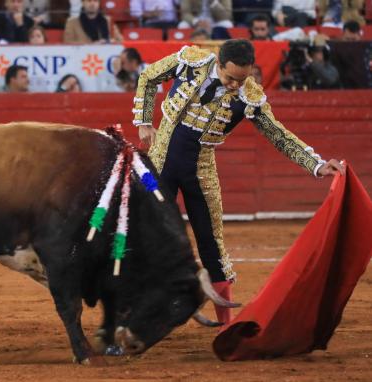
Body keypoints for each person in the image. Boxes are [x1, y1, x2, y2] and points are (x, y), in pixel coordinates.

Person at [132, 39, 345, 324]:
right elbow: (148, 76)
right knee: (142, 234)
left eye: (242, 79)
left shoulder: (250, 96)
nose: (235, 85)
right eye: (230, 77)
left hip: (201, 173)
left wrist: (317, 165)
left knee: (212, 244)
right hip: (157, 168)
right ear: (218, 64)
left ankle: (225, 324)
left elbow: (278, 134)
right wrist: (145, 121)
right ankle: (129, 318)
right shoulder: (191, 61)